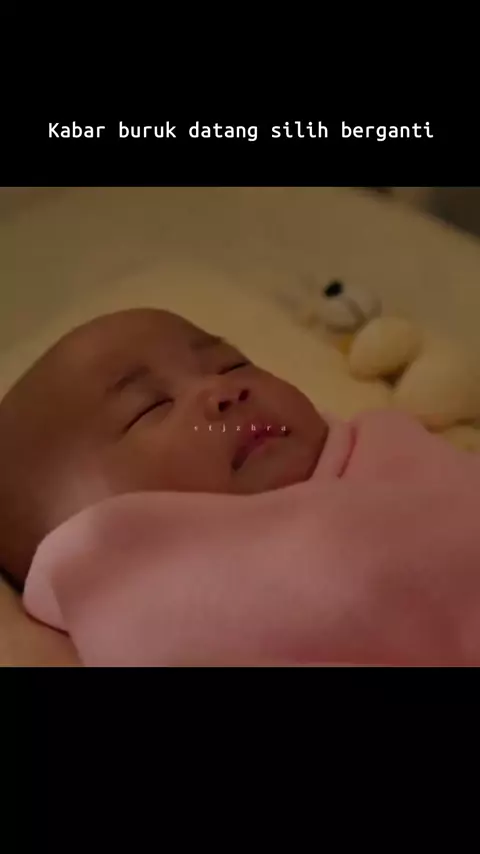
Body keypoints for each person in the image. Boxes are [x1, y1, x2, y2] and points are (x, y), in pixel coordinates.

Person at [2, 307, 480, 666]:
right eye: (149, 407)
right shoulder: (149, 601)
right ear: (74, 524)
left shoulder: (381, 448)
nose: (223, 390)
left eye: (230, 364)